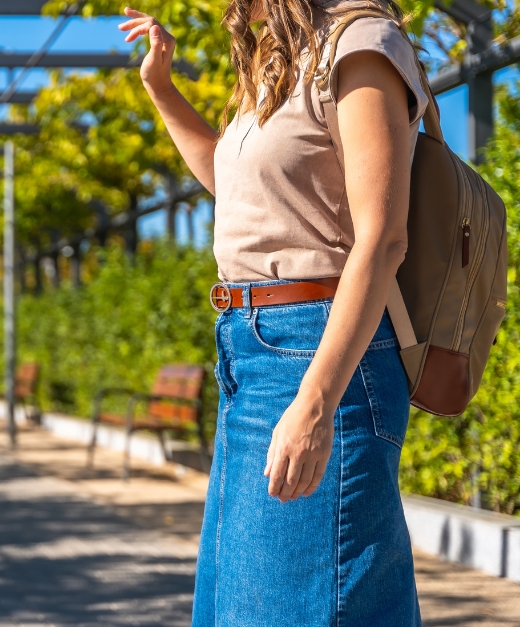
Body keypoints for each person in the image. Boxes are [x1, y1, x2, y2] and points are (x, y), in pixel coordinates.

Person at [122, 0, 425, 624]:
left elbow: (383, 238)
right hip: (249, 356)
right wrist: (161, 88)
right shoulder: (282, 62)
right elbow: (234, 184)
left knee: (304, 604)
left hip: (316, 353)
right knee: (240, 606)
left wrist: (315, 404)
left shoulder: (363, 42)